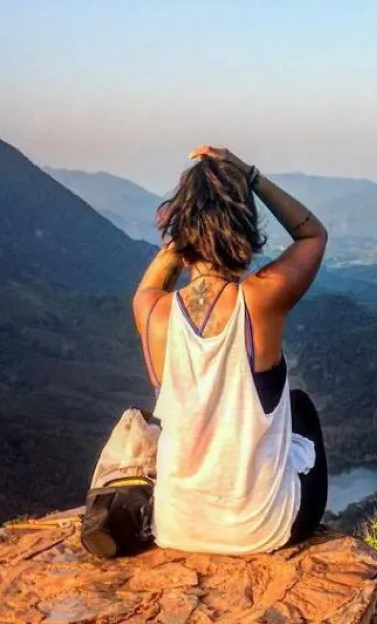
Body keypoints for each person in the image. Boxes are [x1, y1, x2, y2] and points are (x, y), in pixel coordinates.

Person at [130, 146, 329, 554]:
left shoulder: (150, 311)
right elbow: (312, 234)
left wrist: (186, 230)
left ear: (181, 230)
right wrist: (250, 175)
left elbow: (152, 284)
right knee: (301, 407)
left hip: (177, 527)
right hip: (264, 529)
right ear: (243, 225)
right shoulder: (259, 300)